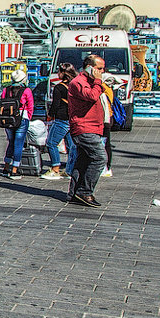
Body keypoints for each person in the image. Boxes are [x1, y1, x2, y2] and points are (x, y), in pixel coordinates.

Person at [66, 53, 107, 208]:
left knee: (83, 160)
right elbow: (90, 96)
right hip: (84, 127)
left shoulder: (91, 82)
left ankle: (74, 193)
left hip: (93, 126)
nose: (102, 72)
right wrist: (98, 82)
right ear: (90, 68)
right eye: (99, 69)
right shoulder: (79, 82)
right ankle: (85, 191)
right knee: (99, 158)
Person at [41, 63, 78, 180]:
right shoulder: (76, 86)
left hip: (61, 118)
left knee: (51, 143)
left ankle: (55, 168)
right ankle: (70, 169)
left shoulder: (59, 87)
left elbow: (55, 105)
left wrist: (50, 115)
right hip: (73, 119)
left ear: (63, 73)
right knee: (71, 145)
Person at [0, 67, 35, 180]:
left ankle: (6, 167)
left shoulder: (6, 90)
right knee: (18, 144)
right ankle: (15, 170)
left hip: (8, 119)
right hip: (21, 118)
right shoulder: (26, 90)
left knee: (11, 142)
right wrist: (28, 117)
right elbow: (30, 106)